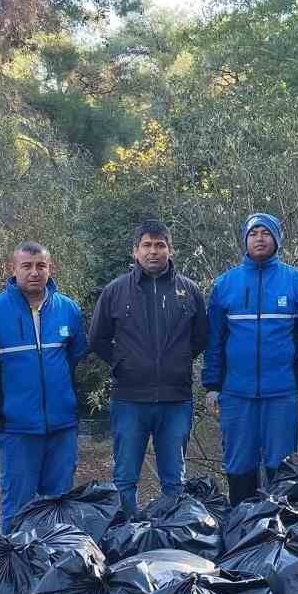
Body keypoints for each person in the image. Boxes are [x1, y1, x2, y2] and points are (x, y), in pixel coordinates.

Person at [201, 212, 298, 503]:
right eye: (253, 233)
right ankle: (243, 529)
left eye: (266, 233)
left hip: (281, 392)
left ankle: (278, 530)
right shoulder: (225, 285)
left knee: (280, 465)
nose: (259, 238)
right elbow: (214, 340)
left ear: (277, 240)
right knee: (239, 463)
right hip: (236, 393)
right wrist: (212, 385)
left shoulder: (297, 282)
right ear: (245, 240)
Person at [0, 242, 88, 532]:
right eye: (27, 266)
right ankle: (15, 571)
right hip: (17, 427)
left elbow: (76, 354)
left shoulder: (68, 310)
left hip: (62, 425)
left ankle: (57, 567)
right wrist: (0, 391)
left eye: (41, 266)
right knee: (17, 506)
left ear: (50, 269)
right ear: (13, 269)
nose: (34, 272)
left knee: (59, 504)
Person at [89, 219, 209, 517]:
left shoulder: (189, 291)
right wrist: (124, 363)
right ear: (135, 251)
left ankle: (172, 537)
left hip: (176, 399)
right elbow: (97, 338)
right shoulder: (115, 291)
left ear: (170, 250)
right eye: (147, 245)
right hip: (129, 399)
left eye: (160, 245)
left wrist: (178, 361)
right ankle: (126, 537)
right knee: (125, 479)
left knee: (174, 480)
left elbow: (201, 337)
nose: (153, 251)